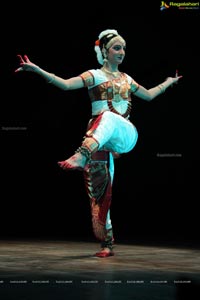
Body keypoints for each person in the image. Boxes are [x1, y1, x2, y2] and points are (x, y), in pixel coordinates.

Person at [15, 29, 182, 258]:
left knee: (109, 117)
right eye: (116, 47)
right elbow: (64, 84)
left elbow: (150, 95)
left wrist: (168, 83)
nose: (121, 52)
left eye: (123, 48)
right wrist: (37, 70)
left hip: (125, 135)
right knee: (101, 191)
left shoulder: (127, 79)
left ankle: (82, 153)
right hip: (100, 140)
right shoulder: (94, 75)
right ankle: (107, 243)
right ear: (104, 51)